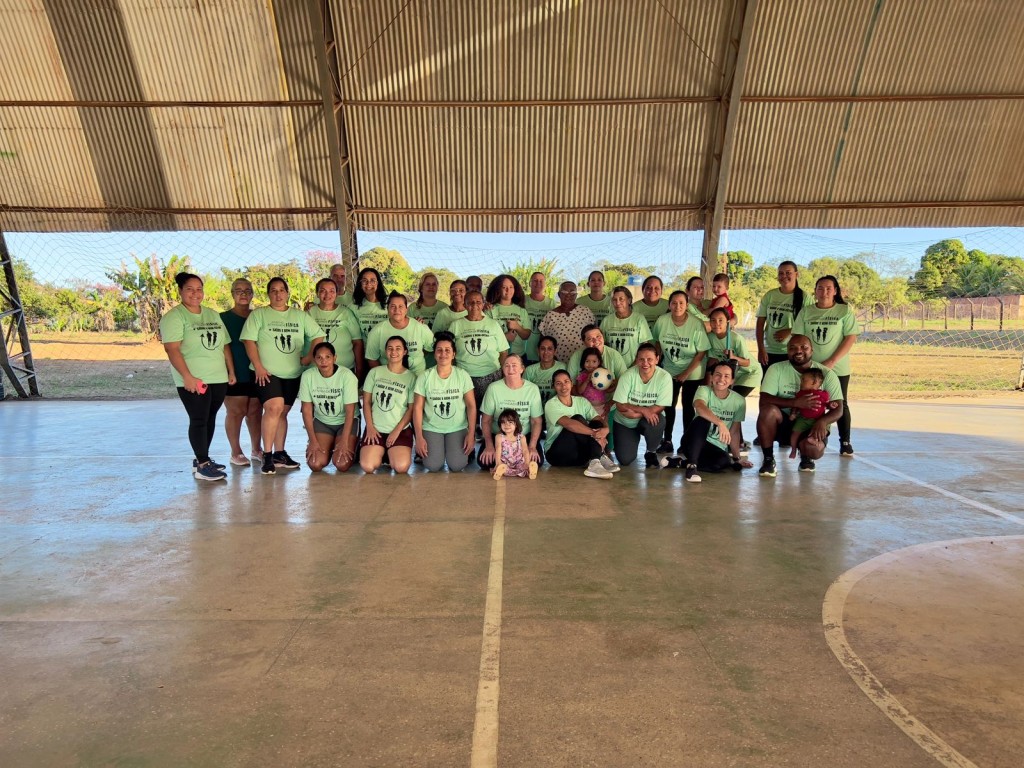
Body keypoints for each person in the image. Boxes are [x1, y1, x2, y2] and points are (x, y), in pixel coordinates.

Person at [241, 277, 325, 475]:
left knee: (282, 413)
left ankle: (280, 453)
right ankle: (267, 455)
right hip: (266, 373)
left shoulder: (299, 315)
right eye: (273, 290)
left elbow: (318, 335)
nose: (278, 294)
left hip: (292, 373)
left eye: (281, 290)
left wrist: (309, 357)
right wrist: (258, 366)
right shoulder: (259, 315)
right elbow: (249, 341)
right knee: (274, 408)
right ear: (268, 294)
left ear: (287, 293)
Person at [161, 272, 236, 481]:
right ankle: (203, 465)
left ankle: (202, 459)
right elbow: (172, 349)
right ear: (180, 291)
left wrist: (230, 371)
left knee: (210, 418)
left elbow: (225, 345)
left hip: (218, 377)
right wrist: (187, 377)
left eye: (199, 289)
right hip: (194, 379)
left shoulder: (212, 314)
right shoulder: (174, 317)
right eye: (189, 289)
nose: (195, 293)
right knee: (198, 419)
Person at [756, 334, 844, 477]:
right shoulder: (776, 369)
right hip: (784, 422)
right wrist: (795, 403)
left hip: (812, 424)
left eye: (804, 347)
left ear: (812, 350)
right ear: (787, 351)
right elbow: (764, 400)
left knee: (814, 450)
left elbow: (839, 408)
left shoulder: (826, 374)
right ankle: (768, 460)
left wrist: (823, 421)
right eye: (793, 348)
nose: (798, 351)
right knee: (768, 411)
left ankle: (806, 457)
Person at [791, 275, 858, 456]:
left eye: (829, 288)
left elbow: (850, 337)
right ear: (815, 291)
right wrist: (805, 361)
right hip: (811, 367)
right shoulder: (806, 311)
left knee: (840, 403)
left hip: (837, 367)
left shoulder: (844, 310)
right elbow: (798, 337)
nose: (824, 292)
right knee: (810, 402)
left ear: (835, 291)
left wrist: (832, 361)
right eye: (820, 288)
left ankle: (845, 441)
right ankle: (808, 444)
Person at [652, 290, 709, 454]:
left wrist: (686, 373)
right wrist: (657, 360)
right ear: (669, 305)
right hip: (670, 368)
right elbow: (656, 341)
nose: (678, 306)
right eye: (674, 303)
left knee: (688, 406)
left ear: (687, 305)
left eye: (681, 303)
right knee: (668, 404)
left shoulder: (696, 324)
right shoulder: (662, 321)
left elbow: (702, 352)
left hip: (693, 370)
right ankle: (667, 440)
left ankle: (686, 442)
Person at [679, 361, 754, 483]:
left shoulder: (739, 401)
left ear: (732, 381)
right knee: (703, 419)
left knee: (724, 462)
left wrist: (737, 458)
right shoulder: (703, 390)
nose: (721, 379)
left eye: (726, 376)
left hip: (715, 447)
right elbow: (699, 407)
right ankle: (691, 466)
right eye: (718, 374)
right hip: (693, 441)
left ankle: (680, 463)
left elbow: (734, 432)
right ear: (712, 377)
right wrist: (720, 423)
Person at [413, 332, 477, 472]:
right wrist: (419, 437)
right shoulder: (425, 376)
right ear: (434, 354)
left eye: (447, 350)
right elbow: (417, 408)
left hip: (457, 427)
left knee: (457, 465)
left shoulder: (462, 375)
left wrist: (471, 434)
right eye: (439, 350)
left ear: (454, 354)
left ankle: (452, 450)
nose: (443, 354)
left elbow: (471, 406)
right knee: (433, 465)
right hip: (432, 427)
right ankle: (439, 451)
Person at [543, 369, 618, 479]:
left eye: (566, 381)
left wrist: (606, 429)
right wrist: (595, 434)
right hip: (556, 455)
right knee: (577, 419)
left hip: (578, 456)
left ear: (571, 383)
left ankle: (595, 461)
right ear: (554, 386)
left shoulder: (581, 401)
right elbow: (569, 424)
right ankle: (599, 456)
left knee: (597, 423)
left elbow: (597, 418)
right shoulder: (551, 404)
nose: (563, 386)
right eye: (558, 383)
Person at [220, 278, 262, 466]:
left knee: (255, 410)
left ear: (252, 294)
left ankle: (257, 449)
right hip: (234, 372)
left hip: (256, 371)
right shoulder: (223, 319)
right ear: (232, 294)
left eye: (247, 290)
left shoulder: (258, 316)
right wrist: (230, 371)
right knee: (236, 411)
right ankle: (235, 451)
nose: (243, 294)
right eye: (239, 290)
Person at [299, 341, 359, 472]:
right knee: (315, 464)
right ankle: (328, 444)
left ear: (334, 358)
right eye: (319, 357)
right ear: (314, 359)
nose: (323, 361)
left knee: (342, 464)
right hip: (323, 422)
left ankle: (352, 444)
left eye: (327, 357)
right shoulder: (308, 376)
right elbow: (307, 410)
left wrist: (344, 441)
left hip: (345, 423)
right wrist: (313, 441)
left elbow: (350, 411)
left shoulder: (347, 376)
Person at [360, 335, 416, 474]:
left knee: (401, 467)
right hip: (375, 430)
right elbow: (366, 402)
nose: (393, 352)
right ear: (385, 351)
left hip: (399, 430)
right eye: (390, 348)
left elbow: (411, 409)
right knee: (368, 466)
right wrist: (370, 427)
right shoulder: (375, 372)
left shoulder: (411, 377)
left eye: (398, 348)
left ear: (405, 352)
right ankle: (382, 453)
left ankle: (389, 453)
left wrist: (396, 431)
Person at [611, 342, 673, 467]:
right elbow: (620, 405)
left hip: (646, 419)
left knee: (658, 421)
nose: (645, 363)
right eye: (641, 359)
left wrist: (637, 413)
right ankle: (631, 440)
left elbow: (661, 406)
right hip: (625, 422)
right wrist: (644, 410)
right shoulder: (627, 376)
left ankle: (651, 452)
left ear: (657, 359)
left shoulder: (664, 377)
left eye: (649, 359)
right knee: (625, 460)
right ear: (636, 360)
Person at [478, 354, 544, 469]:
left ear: (522, 369)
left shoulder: (532, 389)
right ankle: (511, 464)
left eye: (514, 365)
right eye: (507, 366)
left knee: (536, 461)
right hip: (499, 436)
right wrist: (489, 445)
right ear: (503, 369)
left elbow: (536, 421)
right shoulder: (493, 388)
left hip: (523, 437)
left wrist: (532, 446)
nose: (510, 369)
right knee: (485, 462)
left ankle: (510, 464)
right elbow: (486, 420)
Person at [449, 290, 509, 406]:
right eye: (470, 302)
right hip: (465, 376)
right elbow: (449, 352)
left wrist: (503, 375)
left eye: (478, 302)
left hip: (491, 375)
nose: (475, 305)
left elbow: (503, 351)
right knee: (467, 409)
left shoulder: (493, 324)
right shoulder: (455, 325)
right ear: (464, 305)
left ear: (483, 304)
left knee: (490, 409)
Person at [365, 292, 434, 376]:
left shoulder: (420, 327)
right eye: (393, 306)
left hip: (416, 376)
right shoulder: (377, 331)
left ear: (406, 309)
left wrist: (417, 357)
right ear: (387, 309)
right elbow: (372, 359)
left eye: (400, 306)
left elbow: (431, 348)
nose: (397, 310)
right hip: (389, 378)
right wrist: (383, 376)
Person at [306, 277, 363, 379]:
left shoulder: (346, 313)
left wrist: (359, 369)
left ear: (336, 294)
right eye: (323, 291)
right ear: (317, 294)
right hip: (315, 371)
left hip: (344, 370)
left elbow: (357, 342)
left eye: (332, 291)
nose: (327, 294)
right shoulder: (309, 313)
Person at [755, 260, 807, 371]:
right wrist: (761, 349)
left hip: (793, 351)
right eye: (781, 273)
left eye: (788, 273)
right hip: (769, 351)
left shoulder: (805, 297)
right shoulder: (770, 295)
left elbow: (808, 324)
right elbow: (760, 323)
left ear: (796, 274)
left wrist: (790, 331)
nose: (784, 276)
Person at [706, 307, 761, 397]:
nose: (716, 324)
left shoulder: (736, 339)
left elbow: (747, 362)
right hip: (732, 373)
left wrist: (733, 357)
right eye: (713, 320)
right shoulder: (710, 337)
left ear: (727, 322)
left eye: (720, 320)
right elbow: (713, 360)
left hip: (750, 372)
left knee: (734, 398)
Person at [787, 368, 840, 460]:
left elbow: (826, 404)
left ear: (814, 382)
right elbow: (796, 404)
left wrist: (831, 405)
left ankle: (815, 440)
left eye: (803, 380)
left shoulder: (823, 394)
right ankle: (793, 449)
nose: (800, 382)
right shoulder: (800, 394)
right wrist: (793, 413)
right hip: (803, 419)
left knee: (824, 430)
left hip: (819, 418)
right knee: (795, 433)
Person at [538, 282, 595, 363]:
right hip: (557, 364)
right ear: (559, 294)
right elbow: (542, 342)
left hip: (583, 363)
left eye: (572, 292)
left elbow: (595, 335)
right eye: (564, 292)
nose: (568, 295)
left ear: (576, 295)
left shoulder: (585, 311)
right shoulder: (550, 315)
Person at [600, 286, 652, 365]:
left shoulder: (639, 319)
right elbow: (602, 345)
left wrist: (634, 365)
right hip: (611, 366)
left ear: (629, 300)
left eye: (621, 299)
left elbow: (645, 346)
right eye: (614, 300)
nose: (618, 303)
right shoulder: (606, 320)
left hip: (634, 366)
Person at [486, 274, 532, 359]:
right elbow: (486, 337)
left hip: (518, 357)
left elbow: (526, 336)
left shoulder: (521, 311)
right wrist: (505, 337)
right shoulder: (490, 310)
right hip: (496, 358)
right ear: (498, 289)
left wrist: (517, 327)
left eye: (511, 287)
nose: (508, 290)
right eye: (504, 287)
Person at [350, 267, 390, 351]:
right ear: (360, 283)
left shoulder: (390, 303)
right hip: (367, 354)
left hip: (388, 353)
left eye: (372, 280)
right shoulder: (354, 307)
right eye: (364, 281)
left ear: (378, 283)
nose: (368, 284)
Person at [492, 409, 538, 480]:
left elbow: (525, 450)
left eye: (510, 422)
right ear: (500, 425)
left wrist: (527, 462)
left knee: (523, 468)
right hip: (505, 463)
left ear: (516, 424)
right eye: (503, 422)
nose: (506, 425)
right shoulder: (499, 437)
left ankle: (531, 471)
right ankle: (500, 471)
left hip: (519, 462)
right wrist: (498, 463)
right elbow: (498, 449)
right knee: (503, 468)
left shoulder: (521, 437)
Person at [524, 271, 557, 363]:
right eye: (535, 280)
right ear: (530, 283)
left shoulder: (551, 303)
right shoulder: (522, 300)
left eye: (541, 281)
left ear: (545, 284)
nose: (538, 283)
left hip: (544, 353)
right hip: (524, 349)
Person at [524, 335, 567, 403]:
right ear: (538, 350)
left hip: (556, 406)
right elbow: (525, 393)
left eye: (549, 349)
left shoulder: (562, 367)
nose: (546, 352)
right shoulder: (530, 370)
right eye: (542, 349)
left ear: (555, 351)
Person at [575, 347, 611, 417]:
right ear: (583, 362)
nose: (590, 364)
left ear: (599, 362)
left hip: (602, 407)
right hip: (586, 408)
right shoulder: (582, 375)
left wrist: (613, 384)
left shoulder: (604, 374)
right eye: (587, 361)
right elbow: (579, 391)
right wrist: (586, 381)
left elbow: (608, 390)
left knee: (601, 423)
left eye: (594, 361)